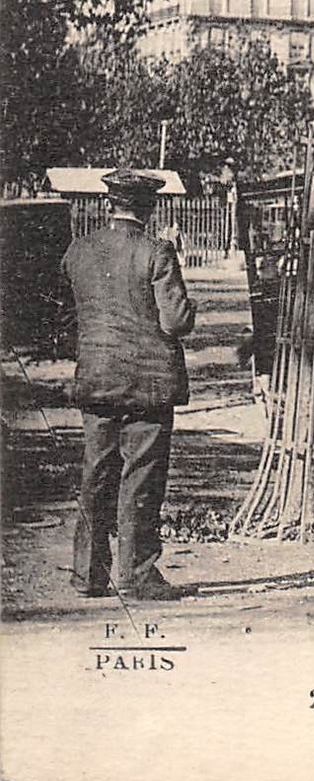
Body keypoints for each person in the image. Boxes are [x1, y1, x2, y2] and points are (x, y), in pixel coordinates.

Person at [62, 168, 196, 600]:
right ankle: (138, 576)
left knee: (95, 475)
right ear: (151, 208)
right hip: (148, 385)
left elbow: (65, 314)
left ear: (107, 204)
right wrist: (190, 303)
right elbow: (174, 321)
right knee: (140, 478)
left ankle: (87, 575)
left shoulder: (78, 251)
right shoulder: (158, 252)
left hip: (97, 381)